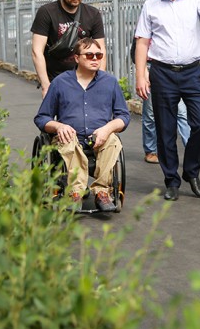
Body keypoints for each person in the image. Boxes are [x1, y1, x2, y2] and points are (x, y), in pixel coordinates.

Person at [134, 0, 200, 201]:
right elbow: (142, 41)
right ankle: (171, 180)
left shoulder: (194, 0)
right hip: (161, 72)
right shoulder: (150, 5)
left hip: (192, 72)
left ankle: (191, 172)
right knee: (165, 130)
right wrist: (141, 75)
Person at [34, 37, 130, 211]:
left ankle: (102, 192)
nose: (95, 59)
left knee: (113, 140)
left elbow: (123, 116)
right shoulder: (60, 83)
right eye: (90, 55)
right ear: (77, 58)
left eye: (98, 55)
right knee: (67, 139)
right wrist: (58, 126)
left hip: (99, 138)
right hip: (70, 139)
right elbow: (41, 117)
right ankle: (75, 192)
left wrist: (107, 129)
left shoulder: (110, 83)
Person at [31, 0, 106, 98]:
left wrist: (100, 81)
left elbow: (101, 49)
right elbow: (36, 51)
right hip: (56, 79)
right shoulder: (47, 12)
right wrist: (46, 85)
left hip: (85, 79)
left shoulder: (93, 14)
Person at [130, 37, 190, 164]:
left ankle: (191, 150)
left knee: (181, 112)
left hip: (174, 68)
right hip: (152, 67)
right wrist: (143, 71)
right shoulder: (147, 21)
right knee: (151, 112)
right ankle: (151, 150)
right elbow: (136, 49)